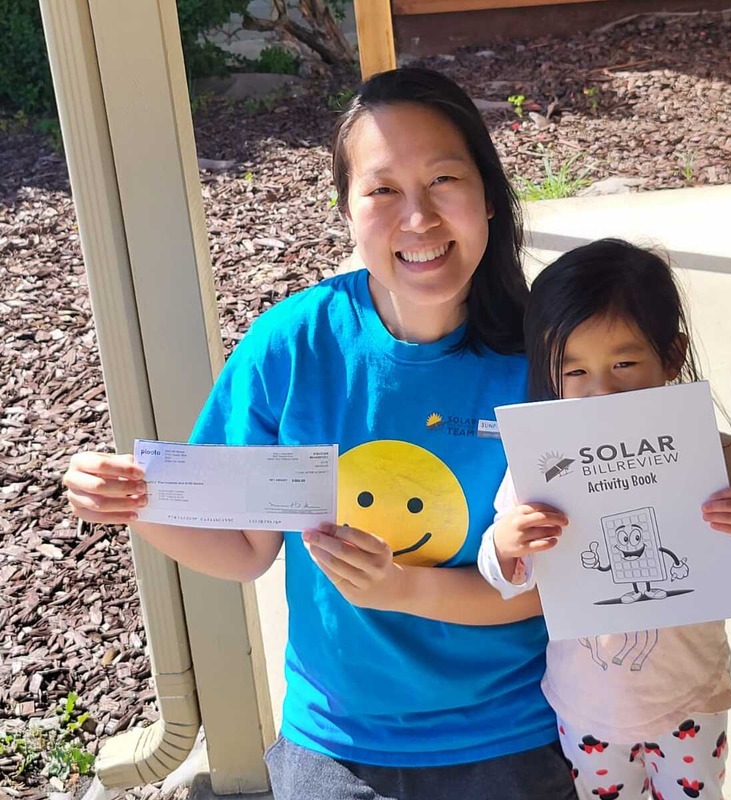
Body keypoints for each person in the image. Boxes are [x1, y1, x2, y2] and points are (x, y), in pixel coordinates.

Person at [63, 68, 577, 799]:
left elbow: (557, 585)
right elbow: (244, 549)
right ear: (346, 210)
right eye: (382, 190)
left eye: (443, 180)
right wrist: (138, 502)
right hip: (337, 743)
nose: (419, 219)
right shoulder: (293, 347)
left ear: (489, 197)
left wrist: (403, 588)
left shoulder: (547, 359)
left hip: (514, 730)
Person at [476, 239, 731, 800]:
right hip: (585, 703)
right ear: (550, 373)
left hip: (693, 694)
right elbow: (504, 574)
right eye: (574, 371)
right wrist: (505, 543)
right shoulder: (540, 466)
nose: (601, 390)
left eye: (624, 363)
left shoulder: (715, 453)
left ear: (671, 356)